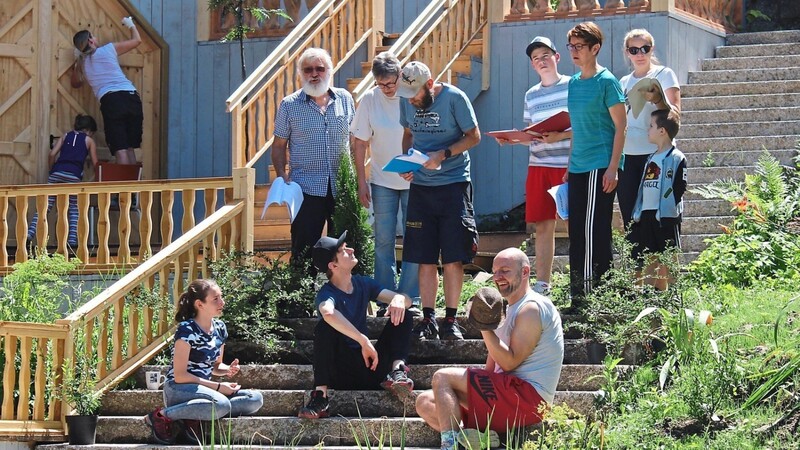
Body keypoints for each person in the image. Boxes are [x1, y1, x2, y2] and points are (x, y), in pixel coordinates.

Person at [415, 248, 564, 450]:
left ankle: (449, 446)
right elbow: (491, 368)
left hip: (529, 400)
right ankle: (476, 439)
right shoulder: (508, 308)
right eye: (495, 271)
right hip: (506, 394)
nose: (498, 277)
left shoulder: (531, 308)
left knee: (442, 377)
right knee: (425, 401)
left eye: (505, 271)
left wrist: (484, 327)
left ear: (525, 272)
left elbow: (510, 362)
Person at [396, 61, 481, 341]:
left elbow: (474, 137)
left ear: (430, 84)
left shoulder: (455, 98)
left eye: (416, 94)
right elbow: (408, 132)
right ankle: (429, 318)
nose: (412, 100)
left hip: (454, 184)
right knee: (424, 257)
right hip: (421, 187)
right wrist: (408, 160)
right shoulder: (406, 100)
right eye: (407, 95)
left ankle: (451, 319)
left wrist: (443, 154)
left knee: (454, 256)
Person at [298, 231, 415, 419]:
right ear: (333, 265)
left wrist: (400, 300)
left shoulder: (362, 283)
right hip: (343, 371)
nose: (351, 250)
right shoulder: (327, 293)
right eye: (344, 250)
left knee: (404, 315)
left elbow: (405, 300)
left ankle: (397, 372)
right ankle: (320, 396)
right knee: (324, 328)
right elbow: (327, 312)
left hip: (372, 367)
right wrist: (363, 341)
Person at [143, 279, 264, 445]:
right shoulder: (187, 329)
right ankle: (161, 416)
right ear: (200, 304)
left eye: (221, 297)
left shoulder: (220, 328)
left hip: (204, 390)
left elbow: (215, 366)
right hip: (179, 389)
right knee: (221, 404)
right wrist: (219, 387)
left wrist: (227, 369)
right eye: (215, 299)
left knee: (255, 399)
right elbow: (180, 376)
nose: (222, 302)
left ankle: (194, 414)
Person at [494, 36, 571, 295]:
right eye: (536, 58)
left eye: (545, 55)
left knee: (574, 223)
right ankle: (543, 284)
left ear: (557, 57)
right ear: (532, 65)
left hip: (567, 164)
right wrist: (514, 140)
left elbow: (585, 126)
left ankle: (580, 281)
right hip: (538, 164)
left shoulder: (574, 86)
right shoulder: (531, 94)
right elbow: (533, 133)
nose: (541, 61)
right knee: (542, 225)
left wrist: (562, 135)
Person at [272, 47, 356, 271]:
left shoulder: (345, 99)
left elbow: (356, 141)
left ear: (330, 71)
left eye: (320, 68)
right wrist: (282, 177)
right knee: (304, 251)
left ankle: (340, 302)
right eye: (308, 69)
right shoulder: (289, 105)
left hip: (341, 187)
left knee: (343, 252)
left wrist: (359, 178)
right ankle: (300, 304)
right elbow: (279, 145)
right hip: (305, 189)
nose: (314, 74)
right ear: (300, 73)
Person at [564, 22, 627, 310]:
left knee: (592, 230)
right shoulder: (574, 83)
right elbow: (577, 127)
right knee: (578, 230)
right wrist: (568, 166)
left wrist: (613, 167)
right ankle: (590, 294)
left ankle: (587, 297)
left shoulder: (607, 81)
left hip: (600, 165)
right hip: (578, 166)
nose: (574, 52)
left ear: (595, 48)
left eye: (579, 47)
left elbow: (621, 126)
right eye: (571, 46)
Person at [352, 52, 420, 316]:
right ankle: (385, 298)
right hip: (382, 180)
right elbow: (359, 142)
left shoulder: (411, 96)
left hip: (413, 180)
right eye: (382, 85)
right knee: (383, 240)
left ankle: (409, 298)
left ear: (400, 75)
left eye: (391, 83)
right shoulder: (370, 99)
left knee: (414, 238)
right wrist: (361, 181)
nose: (388, 89)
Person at [618, 29, 681, 228]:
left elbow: (676, 115)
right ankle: (636, 258)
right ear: (627, 52)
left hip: (656, 153)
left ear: (652, 49)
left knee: (656, 213)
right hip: (627, 154)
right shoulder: (623, 82)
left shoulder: (664, 74)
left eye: (644, 48)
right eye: (634, 50)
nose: (640, 54)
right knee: (630, 215)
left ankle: (660, 258)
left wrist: (658, 100)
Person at [71, 18, 143, 165]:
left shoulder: (82, 63)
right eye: (93, 36)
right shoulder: (108, 49)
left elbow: (75, 83)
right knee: (130, 148)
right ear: (91, 41)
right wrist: (130, 24)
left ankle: (125, 188)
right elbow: (137, 41)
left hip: (111, 101)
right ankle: (134, 187)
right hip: (131, 97)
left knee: (120, 148)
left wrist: (77, 61)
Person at [630, 108, 686, 290]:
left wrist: (667, 206)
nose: (648, 129)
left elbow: (679, 187)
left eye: (651, 126)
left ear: (662, 131)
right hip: (646, 213)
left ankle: (672, 295)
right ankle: (650, 293)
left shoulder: (676, 157)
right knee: (649, 254)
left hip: (665, 217)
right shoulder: (650, 158)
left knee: (668, 255)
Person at [27, 114, 99, 249]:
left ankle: (29, 234)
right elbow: (95, 163)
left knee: (45, 207)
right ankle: (71, 242)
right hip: (74, 175)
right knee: (73, 208)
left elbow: (52, 154)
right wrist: (96, 178)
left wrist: (52, 170)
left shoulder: (65, 136)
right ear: (89, 130)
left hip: (57, 172)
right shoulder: (89, 141)